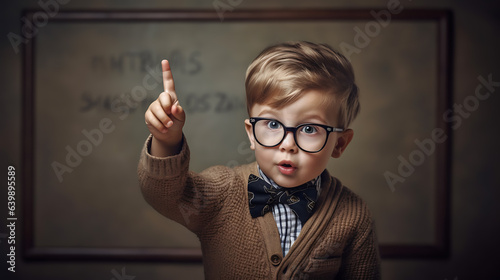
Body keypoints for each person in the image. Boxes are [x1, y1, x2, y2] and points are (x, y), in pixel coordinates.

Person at [138, 41, 381, 279]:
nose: (288, 144)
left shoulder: (353, 215)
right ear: (251, 134)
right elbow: (165, 195)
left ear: (339, 143)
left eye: (309, 129)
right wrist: (166, 141)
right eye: (273, 124)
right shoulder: (223, 192)